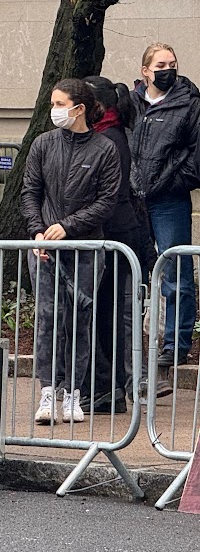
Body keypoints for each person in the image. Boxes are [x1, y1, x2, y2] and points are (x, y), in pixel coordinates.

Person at [21, 78, 121, 425]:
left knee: (80, 319)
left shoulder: (104, 149)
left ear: (78, 109)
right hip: (44, 249)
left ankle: (73, 394)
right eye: (52, 103)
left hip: (84, 248)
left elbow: (107, 201)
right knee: (47, 318)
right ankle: (48, 390)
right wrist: (38, 231)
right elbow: (29, 192)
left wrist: (69, 226)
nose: (54, 110)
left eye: (59, 104)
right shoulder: (43, 144)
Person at [130, 43, 200, 379]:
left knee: (176, 273)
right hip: (134, 199)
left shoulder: (189, 104)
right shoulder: (131, 104)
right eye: (160, 64)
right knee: (133, 270)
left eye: (172, 63)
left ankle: (175, 343)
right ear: (145, 70)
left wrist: (167, 182)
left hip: (169, 199)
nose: (167, 69)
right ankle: (133, 344)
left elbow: (195, 158)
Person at [85, 76, 155, 413]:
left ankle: (106, 387)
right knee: (106, 312)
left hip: (111, 234)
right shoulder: (108, 135)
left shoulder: (108, 140)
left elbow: (106, 197)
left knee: (105, 313)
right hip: (114, 233)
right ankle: (106, 387)